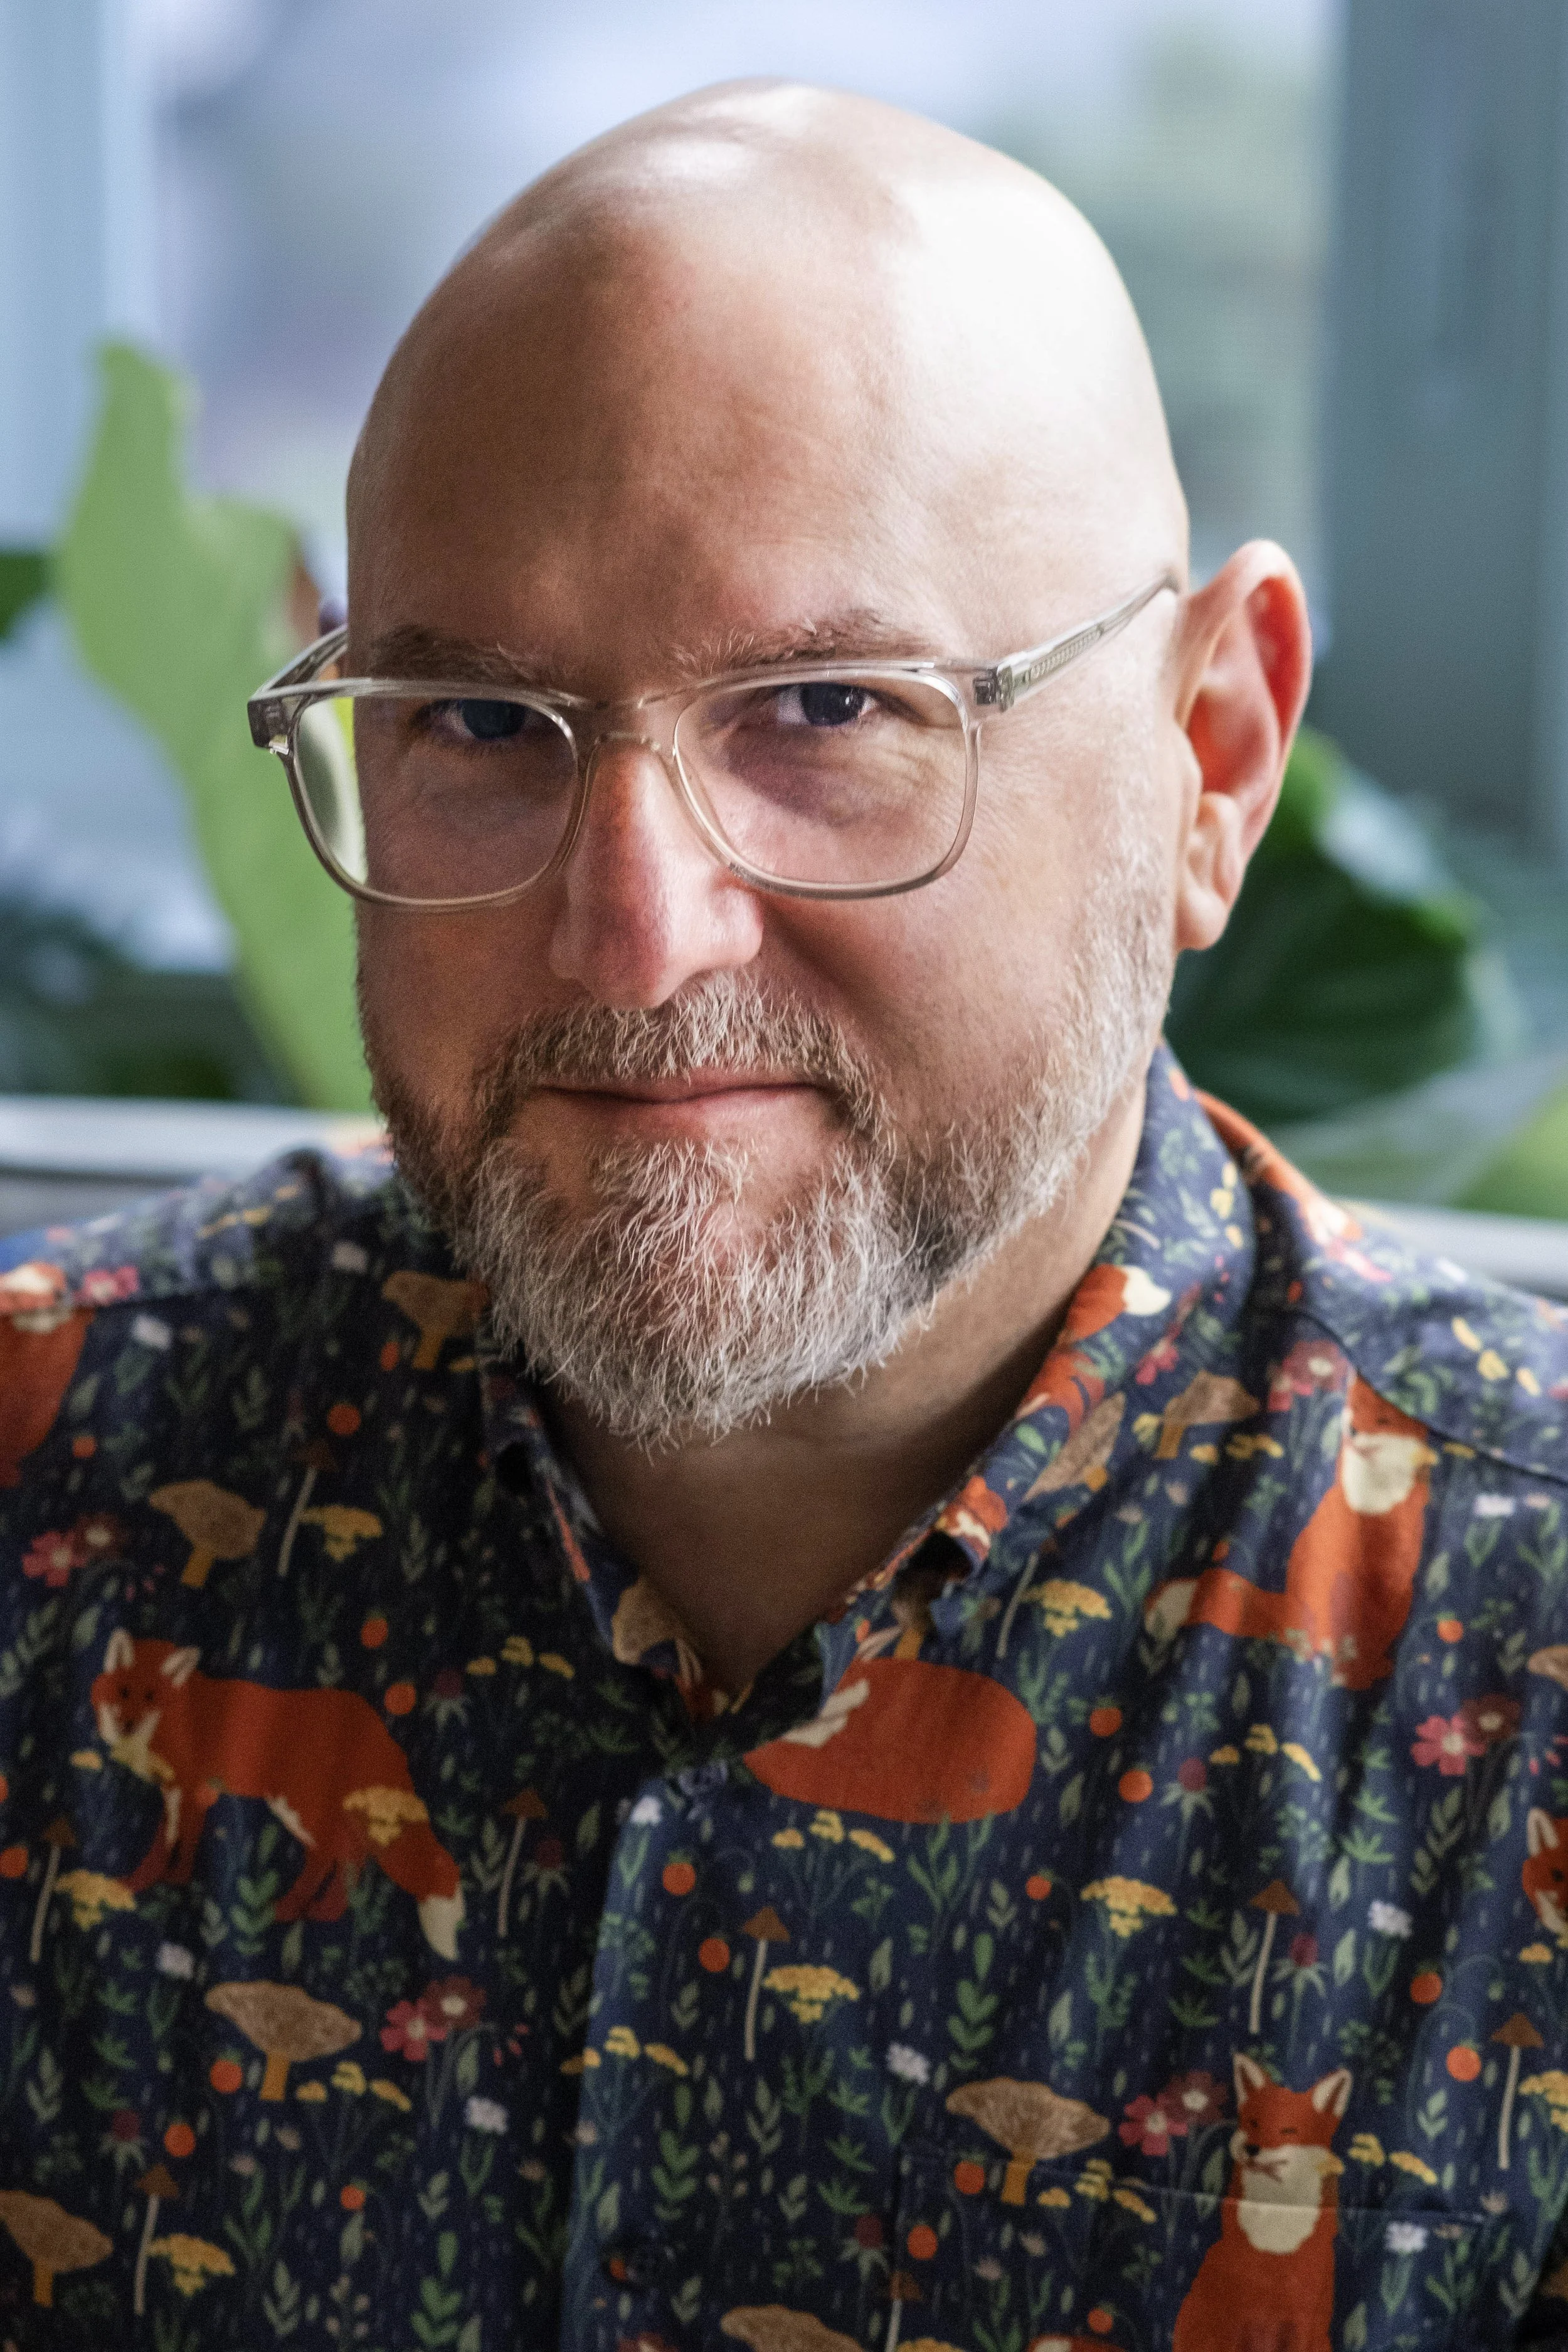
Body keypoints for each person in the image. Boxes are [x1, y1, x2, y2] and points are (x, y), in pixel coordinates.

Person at [1, 79, 1566, 2352]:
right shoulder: (44, 1478)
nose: (634, 936)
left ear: (1206, 758)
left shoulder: (1517, 1685)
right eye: (479, 724)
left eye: (829, 705)